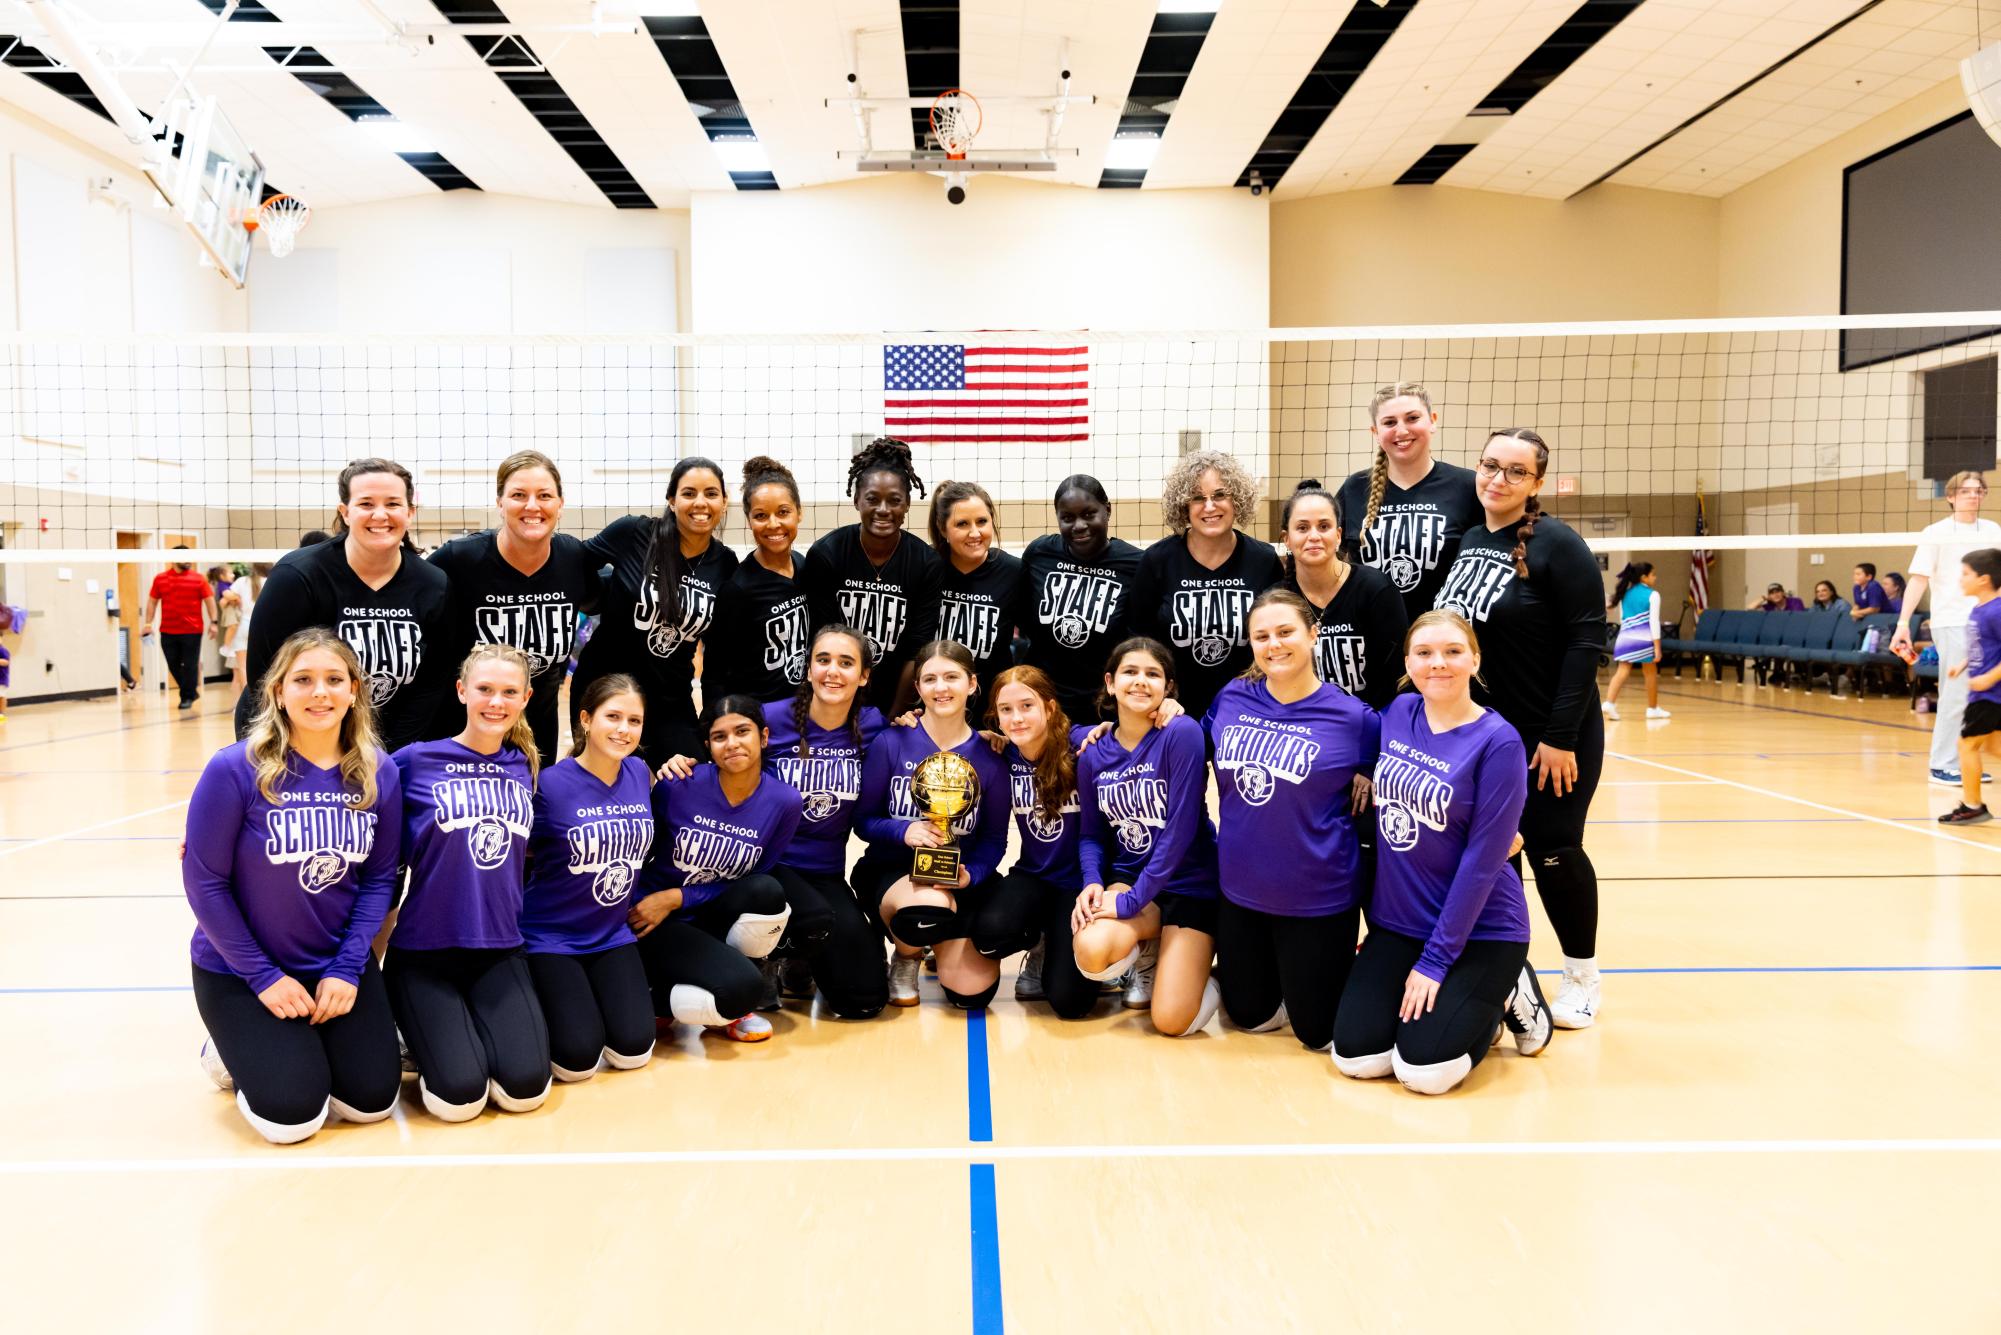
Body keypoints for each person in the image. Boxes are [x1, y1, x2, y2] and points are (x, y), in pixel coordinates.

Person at [183, 628, 402, 1144]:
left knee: (371, 1103)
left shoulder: (378, 772)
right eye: (302, 680)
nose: (319, 693)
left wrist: (349, 968)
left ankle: (296, 1043)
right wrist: (262, 977)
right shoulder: (236, 768)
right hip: (241, 970)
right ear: (279, 692)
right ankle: (227, 1051)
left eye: (333, 679)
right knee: (293, 1117)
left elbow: (377, 880)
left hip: (334, 965)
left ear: (355, 691)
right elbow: (204, 882)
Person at [1332, 611, 1552, 1096]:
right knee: (1355, 1057)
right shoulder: (1398, 712)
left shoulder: (1499, 742)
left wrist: (1435, 962)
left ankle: (1508, 988)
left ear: (1475, 658)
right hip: (1399, 925)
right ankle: (1465, 1005)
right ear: (1408, 662)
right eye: (1425, 653)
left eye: (1453, 651)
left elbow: (1481, 864)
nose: (1439, 664)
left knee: (1424, 1071)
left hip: (1480, 929)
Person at [1433, 428, 1606, 1030]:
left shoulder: (1560, 544)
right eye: (1489, 466)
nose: (1497, 480)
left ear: (1535, 483)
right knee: (1492, 859)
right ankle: (1507, 976)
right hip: (1483, 738)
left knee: (1554, 851)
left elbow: (1588, 642)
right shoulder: (1468, 540)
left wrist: (1558, 737)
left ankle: (1582, 976)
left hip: (1551, 736)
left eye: (1514, 471)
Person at [1206, 590, 1378, 1052]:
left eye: (1285, 632)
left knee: (1318, 1034)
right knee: (1249, 1017)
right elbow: (1180, 738)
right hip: (1240, 891)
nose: (1274, 644)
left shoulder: (1356, 719)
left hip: (1318, 896)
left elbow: (1418, 757)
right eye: (1261, 636)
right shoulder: (1232, 697)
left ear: (1313, 634)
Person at [385, 644, 548, 1122]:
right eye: (484, 690)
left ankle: (462, 1030)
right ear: (462, 691)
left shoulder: (525, 765)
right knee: (459, 1098)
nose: (495, 702)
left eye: (508, 692)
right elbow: (348, 797)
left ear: (525, 698)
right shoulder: (414, 761)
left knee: (525, 1090)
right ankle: (414, 1029)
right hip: (425, 951)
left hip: (499, 950)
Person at [234, 458, 453, 751]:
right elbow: (264, 676)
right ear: (345, 512)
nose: (380, 514)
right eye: (365, 503)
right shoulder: (298, 576)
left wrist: (389, 754)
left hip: (389, 741)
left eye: (392, 504)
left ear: (410, 512)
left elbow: (432, 683)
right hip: (294, 737)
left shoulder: (433, 584)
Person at [1071, 637, 1222, 1037]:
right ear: (1110, 682)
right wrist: (1092, 884)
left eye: (1153, 674)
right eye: (1130, 672)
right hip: (1132, 877)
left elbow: (1181, 828)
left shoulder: (1181, 733)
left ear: (1168, 687)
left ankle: (1196, 974)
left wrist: (1130, 903)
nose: (1141, 682)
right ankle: (1150, 953)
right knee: (1091, 950)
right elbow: (1091, 834)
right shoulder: (1092, 751)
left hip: (1191, 884)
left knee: (1171, 1022)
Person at [633, 694, 801, 1042]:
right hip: (658, 918)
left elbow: (756, 876)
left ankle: (660, 998)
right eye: (720, 736)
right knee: (737, 990)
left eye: (743, 731)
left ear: (764, 737)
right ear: (707, 745)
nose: (732, 743)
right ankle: (653, 995)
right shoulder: (678, 785)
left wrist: (680, 896)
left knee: (766, 892)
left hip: (706, 911)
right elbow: (638, 851)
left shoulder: (785, 802)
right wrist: (657, 903)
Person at [853, 640, 1010, 1009]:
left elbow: (994, 840)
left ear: (972, 684)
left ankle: (941, 943)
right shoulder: (891, 741)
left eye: (952, 677)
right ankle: (906, 956)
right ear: (918, 688)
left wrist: (972, 875)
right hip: (896, 873)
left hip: (960, 876)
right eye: (930, 679)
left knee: (973, 994)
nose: (941, 688)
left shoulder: (991, 755)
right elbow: (863, 821)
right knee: (927, 907)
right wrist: (902, 831)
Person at [519, 674, 658, 1080]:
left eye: (634, 721)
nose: (623, 729)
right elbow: (521, 856)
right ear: (585, 719)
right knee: (576, 1061)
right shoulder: (548, 784)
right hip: (551, 937)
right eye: (612, 717)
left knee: (633, 1049)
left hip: (612, 934)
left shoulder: (639, 773)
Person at [428, 451, 603, 767]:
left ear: (560, 505)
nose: (532, 506)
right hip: (462, 736)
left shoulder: (573, 560)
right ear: (500, 503)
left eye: (545, 495)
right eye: (519, 495)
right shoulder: (459, 560)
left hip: (537, 741)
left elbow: (610, 599)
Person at [573, 456, 738, 769]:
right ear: (672, 501)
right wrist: (598, 598)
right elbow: (574, 564)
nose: (700, 502)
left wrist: (714, 713)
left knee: (693, 782)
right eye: (689, 493)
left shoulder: (726, 564)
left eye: (711, 493)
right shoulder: (634, 533)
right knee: (616, 786)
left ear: (724, 501)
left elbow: (719, 649)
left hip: (670, 701)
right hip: (606, 691)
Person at [761, 625, 891, 1018]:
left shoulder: (873, 726)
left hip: (825, 873)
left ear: (864, 676)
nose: (833, 671)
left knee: (865, 999)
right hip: (768, 869)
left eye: (846, 663)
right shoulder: (769, 719)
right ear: (808, 669)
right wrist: (681, 761)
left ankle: (803, 956)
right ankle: (763, 956)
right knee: (813, 917)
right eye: (823, 660)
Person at [1129, 450, 1285, 721]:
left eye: (1220, 495)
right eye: (1198, 498)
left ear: (1237, 500)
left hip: (1247, 711)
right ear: (1183, 507)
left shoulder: (1262, 560)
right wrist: (1161, 698)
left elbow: (1276, 639)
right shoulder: (1158, 560)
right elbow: (1138, 642)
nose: (1210, 506)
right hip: (1172, 713)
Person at [985, 665, 1102, 1017]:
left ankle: (1114, 956)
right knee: (989, 933)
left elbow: (1124, 736)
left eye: (1027, 706)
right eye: (1006, 710)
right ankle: (1040, 942)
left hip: (1079, 885)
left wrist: (1167, 709)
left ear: (1049, 708)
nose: (1016, 718)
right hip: (1033, 875)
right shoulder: (1003, 753)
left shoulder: (1083, 744)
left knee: (1070, 1003)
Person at [805, 437, 943, 716]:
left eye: (894, 500)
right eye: (872, 499)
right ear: (857, 500)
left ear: (906, 505)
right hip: (835, 695)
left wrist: (892, 717)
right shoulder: (827, 554)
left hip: (899, 699)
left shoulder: (926, 563)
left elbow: (915, 654)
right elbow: (822, 642)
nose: (883, 509)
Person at [1337, 382, 1484, 622]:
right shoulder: (1354, 488)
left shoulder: (1468, 486)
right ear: (1375, 432)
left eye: (1412, 418)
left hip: (1443, 637)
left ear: (1432, 420)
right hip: (1371, 633)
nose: (1402, 430)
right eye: (1389, 422)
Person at [1893, 472, 2001, 786]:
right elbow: (1918, 579)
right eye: (1966, 491)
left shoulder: (1993, 531)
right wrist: (1903, 624)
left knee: (1986, 692)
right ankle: (1942, 764)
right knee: (1956, 692)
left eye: (1979, 490)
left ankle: (1968, 760)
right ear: (1951, 496)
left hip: (1989, 621)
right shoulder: (1936, 532)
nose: (1973, 496)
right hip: (1952, 621)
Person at [1020, 475, 1144, 723]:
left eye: (1088, 514)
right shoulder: (1039, 553)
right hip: (1042, 703)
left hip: (1103, 707)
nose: (1078, 525)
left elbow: (1138, 640)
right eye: (1067, 518)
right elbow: (1023, 618)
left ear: (1107, 510)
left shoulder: (1137, 564)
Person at [1279, 479, 1407, 708]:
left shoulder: (1375, 589)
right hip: (1302, 726)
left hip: (1368, 724)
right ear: (1287, 539)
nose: (1314, 536)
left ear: (1338, 535)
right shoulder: (1278, 602)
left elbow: (1395, 679)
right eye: (1302, 527)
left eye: (1324, 526)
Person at [705, 457, 810, 703]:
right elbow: (715, 672)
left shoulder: (805, 566)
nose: (773, 524)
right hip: (761, 716)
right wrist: (714, 724)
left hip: (804, 710)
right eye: (761, 516)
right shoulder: (738, 589)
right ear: (749, 519)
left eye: (783, 512)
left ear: (799, 512)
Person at [930, 480, 1026, 716]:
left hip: (993, 712)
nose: (975, 532)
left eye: (982, 521)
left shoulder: (1013, 571)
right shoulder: (927, 568)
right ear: (943, 529)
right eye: (962, 524)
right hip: (934, 706)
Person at [1939, 549, 2001, 824]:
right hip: (1983, 691)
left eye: (1965, 574)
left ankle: (1973, 805)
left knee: (1966, 745)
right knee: (1994, 747)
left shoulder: (1997, 611)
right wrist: (1965, 663)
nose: (1960, 580)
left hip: (1991, 693)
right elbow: (1986, 645)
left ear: (1984, 579)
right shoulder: (1979, 609)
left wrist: (1989, 678)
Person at [143, 546, 220, 711]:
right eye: (185, 557)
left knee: (190, 664)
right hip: (167, 630)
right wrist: (148, 624)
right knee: (173, 663)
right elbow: (152, 602)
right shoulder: (160, 579)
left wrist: (214, 622)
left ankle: (186, 697)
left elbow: (210, 601)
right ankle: (191, 690)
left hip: (192, 630)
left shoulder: (199, 579)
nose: (188, 560)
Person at [1604, 562, 1670, 722]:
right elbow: (1654, 622)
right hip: (1643, 638)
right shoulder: (1653, 595)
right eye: (1653, 574)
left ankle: (1609, 702)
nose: (1655, 577)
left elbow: (1622, 618)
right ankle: (1652, 708)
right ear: (1644, 577)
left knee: (1622, 671)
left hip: (1624, 637)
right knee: (1650, 672)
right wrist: (1657, 647)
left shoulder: (1625, 593)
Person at [225, 563, 270, 703]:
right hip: (262, 626)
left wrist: (235, 600)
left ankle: (247, 703)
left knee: (242, 668)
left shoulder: (241, 581)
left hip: (244, 625)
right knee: (265, 666)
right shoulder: (270, 581)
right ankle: (262, 701)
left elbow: (226, 595)